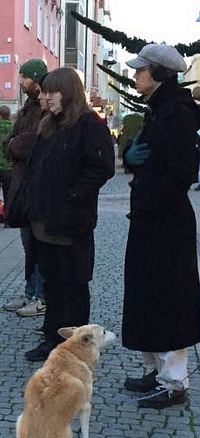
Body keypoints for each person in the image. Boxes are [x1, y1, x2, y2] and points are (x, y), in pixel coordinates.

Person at [121, 44, 200, 409]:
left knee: (169, 299)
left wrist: (149, 202)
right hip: (151, 219)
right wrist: (128, 159)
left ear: (158, 73)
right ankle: (155, 371)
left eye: (141, 70)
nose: (135, 75)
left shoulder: (179, 112)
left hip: (166, 222)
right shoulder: (157, 109)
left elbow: (180, 173)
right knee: (147, 296)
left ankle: (174, 383)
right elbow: (145, 156)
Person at [24, 67, 115, 362]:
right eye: (44, 91)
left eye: (51, 91)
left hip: (71, 223)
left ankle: (77, 345)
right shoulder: (51, 124)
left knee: (73, 285)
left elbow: (101, 167)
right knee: (52, 283)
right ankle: (52, 338)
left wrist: (73, 195)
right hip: (45, 222)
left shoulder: (89, 124)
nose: (45, 97)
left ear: (68, 92)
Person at [3, 59, 48, 317]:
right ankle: (30, 292)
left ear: (36, 79)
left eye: (24, 77)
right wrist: (13, 144)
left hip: (34, 188)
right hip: (21, 187)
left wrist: (13, 145)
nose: (21, 82)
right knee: (27, 246)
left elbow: (28, 144)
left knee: (38, 246)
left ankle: (41, 296)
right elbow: (11, 141)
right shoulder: (27, 108)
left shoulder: (42, 109)